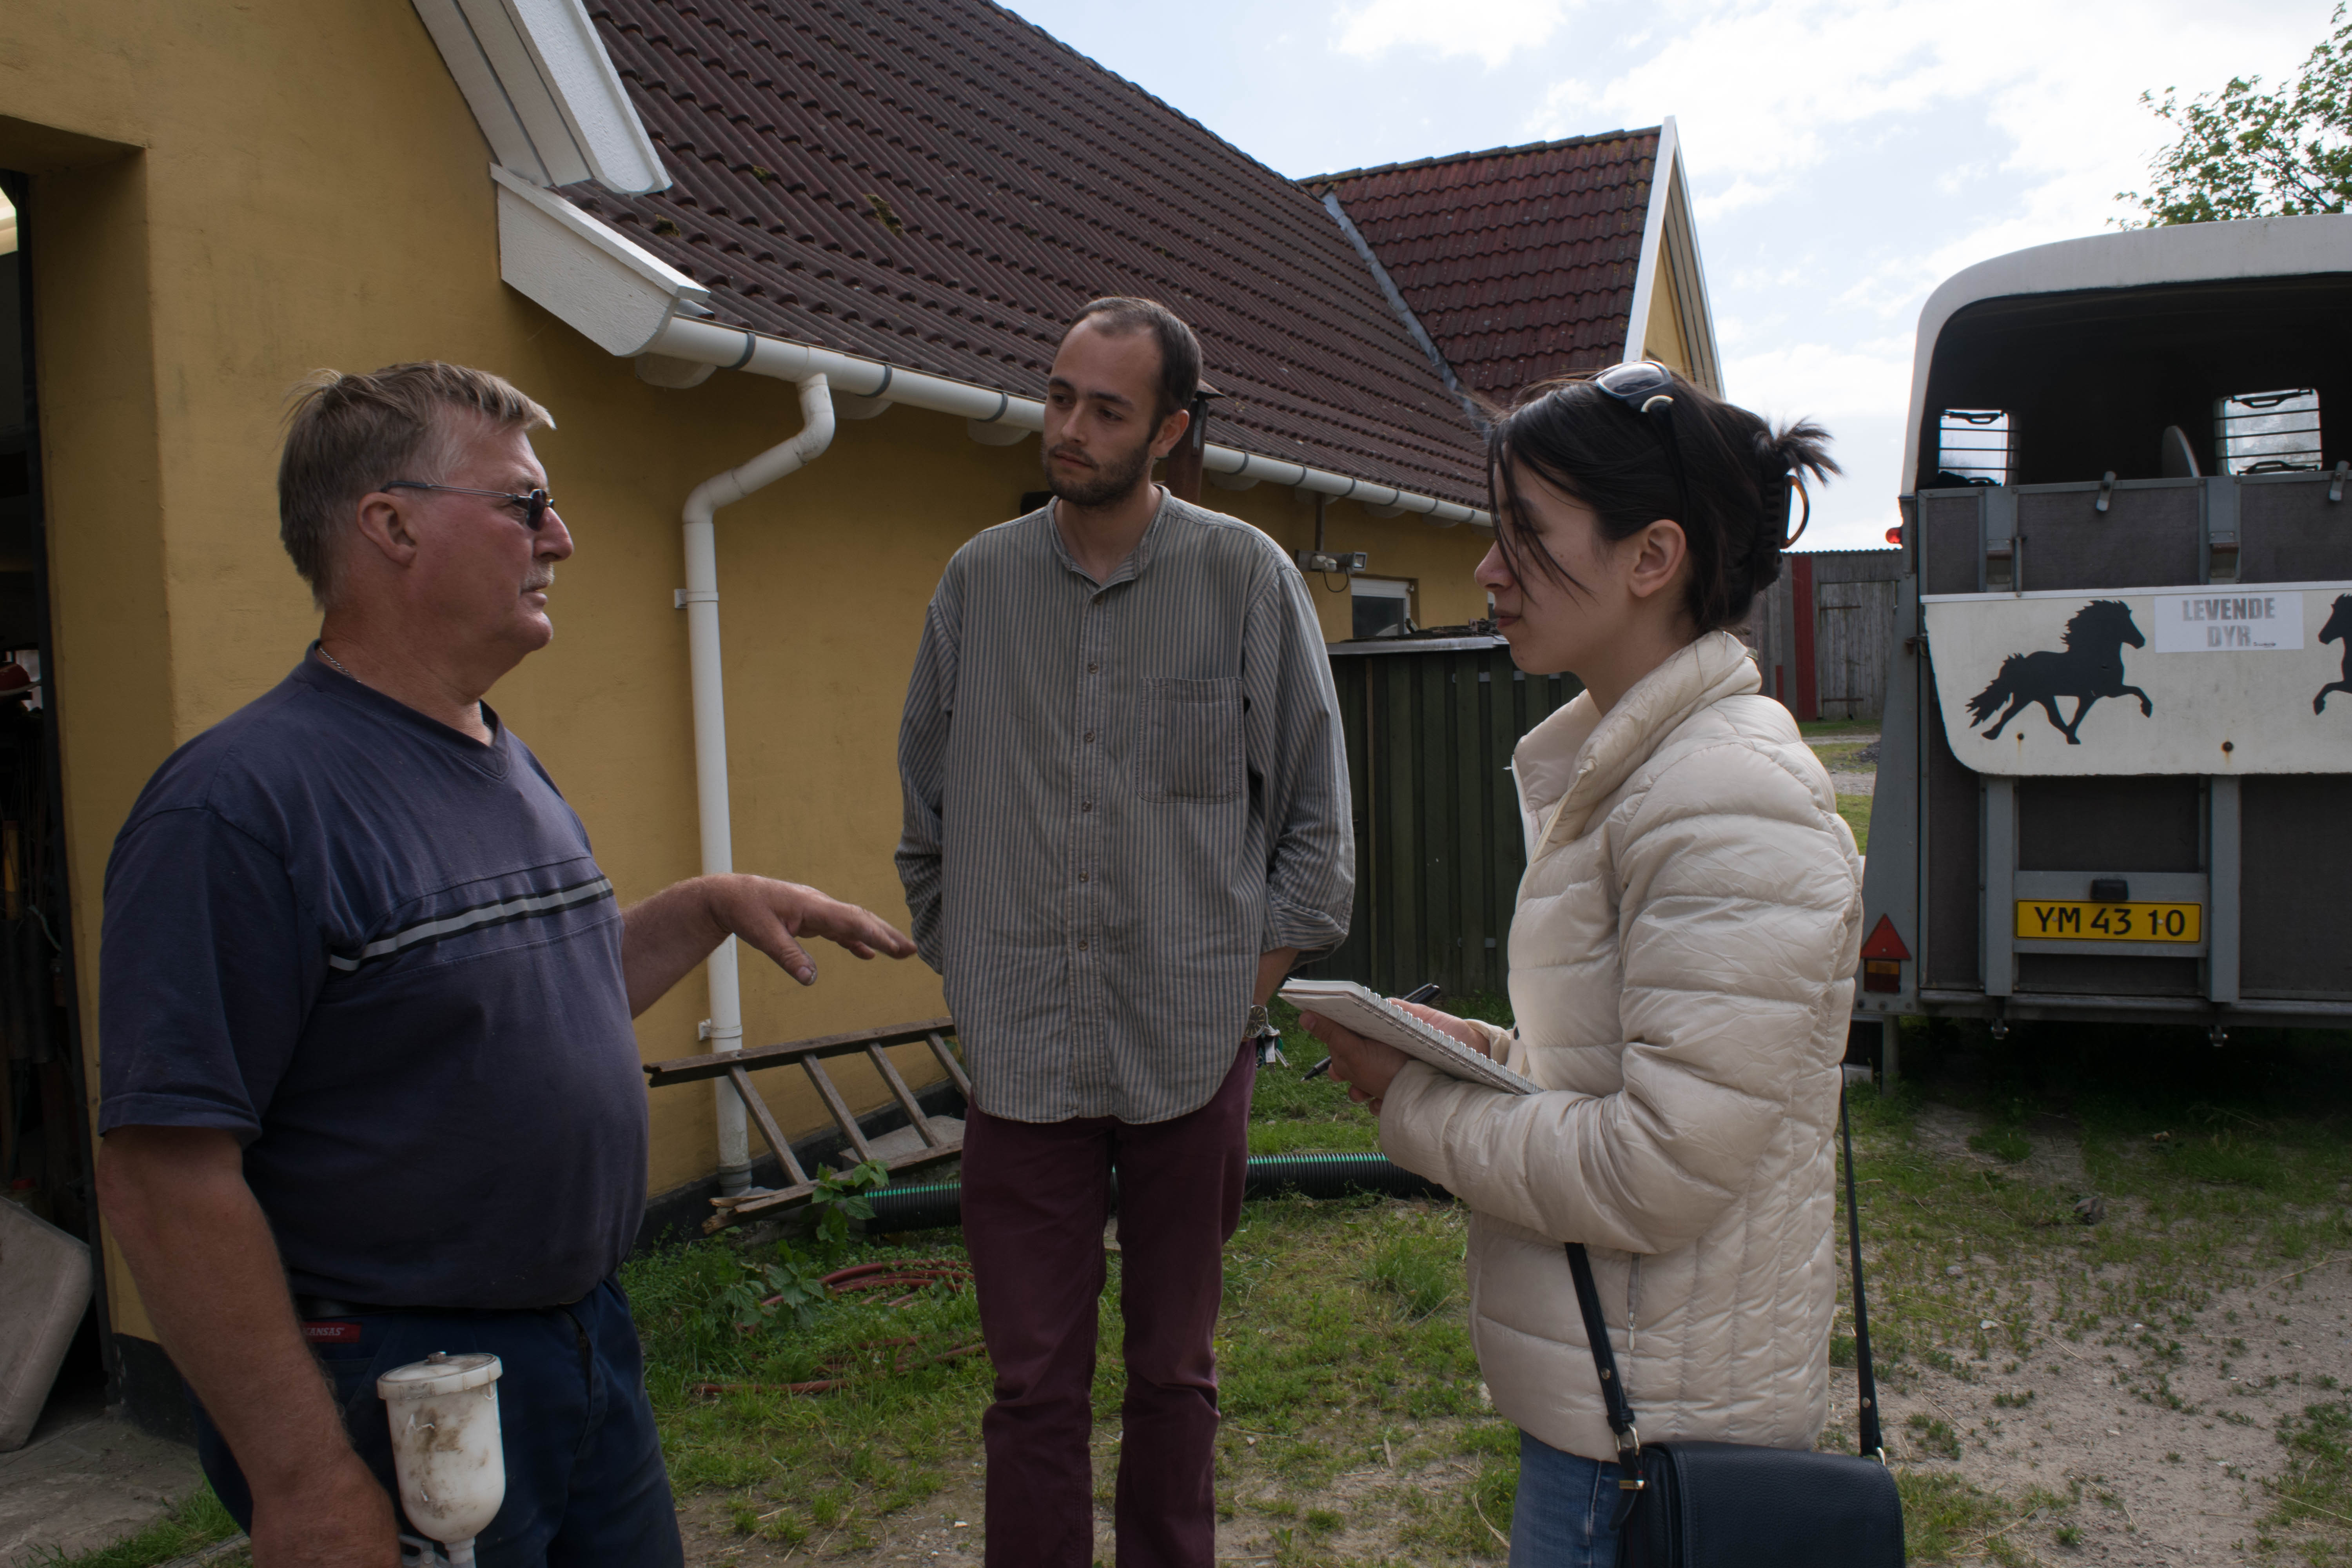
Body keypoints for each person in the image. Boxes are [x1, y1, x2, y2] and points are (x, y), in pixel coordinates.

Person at [95, 362, 917, 1568]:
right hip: (398, 1389)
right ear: (390, 524)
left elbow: (510, 1009)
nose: (563, 539)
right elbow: (164, 1176)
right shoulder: (239, 808)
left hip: (580, 1356)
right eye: (525, 506)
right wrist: (304, 1478)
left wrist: (700, 909)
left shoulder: (498, 755)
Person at [1300, 363, 1857, 1568]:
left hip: (1658, 1444)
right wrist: (1482, 1055)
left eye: (1525, 537)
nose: (1489, 570)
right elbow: (1630, 1070)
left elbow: (1656, 1165)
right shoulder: (1645, 776)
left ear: (1650, 559)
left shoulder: (1724, 804)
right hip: (1621, 1408)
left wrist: (1414, 1105)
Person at [895, 298, 1354, 1567]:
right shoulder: (979, 584)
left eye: (1107, 409)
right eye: (1059, 398)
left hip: (1189, 1054)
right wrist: (977, 971)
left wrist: (1235, 1003)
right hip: (1024, 1060)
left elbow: (1315, 837)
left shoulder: (1246, 579)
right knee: (1029, 1387)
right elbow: (924, 819)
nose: (1072, 429)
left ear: (1169, 431)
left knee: (1176, 1375)